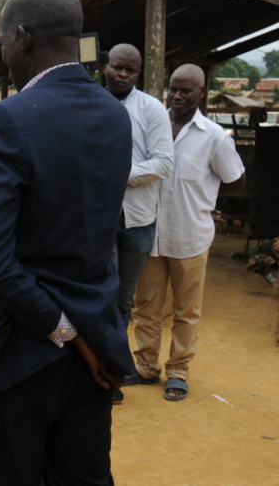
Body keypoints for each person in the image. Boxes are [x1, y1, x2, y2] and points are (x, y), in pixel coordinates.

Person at [0, 0, 133, 486]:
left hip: (19, 352)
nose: (5, 56)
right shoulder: (114, 113)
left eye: (2, 45)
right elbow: (59, 218)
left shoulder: (7, 119)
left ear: (22, 37)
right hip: (93, 350)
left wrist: (65, 332)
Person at [130, 64, 245, 402]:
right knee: (146, 307)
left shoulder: (213, 136)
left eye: (186, 91)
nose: (178, 96)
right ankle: (145, 366)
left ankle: (178, 371)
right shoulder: (152, 126)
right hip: (149, 234)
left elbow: (236, 178)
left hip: (191, 234)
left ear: (201, 93)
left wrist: (208, 199)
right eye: (173, 89)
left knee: (186, 311)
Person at [103, 43, 174, 404]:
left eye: (131, 70)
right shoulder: (91, 104)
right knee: (95, 292)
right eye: (118, 67)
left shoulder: (152, 109)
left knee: (122, 299)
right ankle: (97, 367)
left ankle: (113, 373)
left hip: (136, 220)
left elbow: (164, 163)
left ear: (139, 73)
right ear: (106, 66)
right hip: (95, 217)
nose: (123, 75)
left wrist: (121, 175)